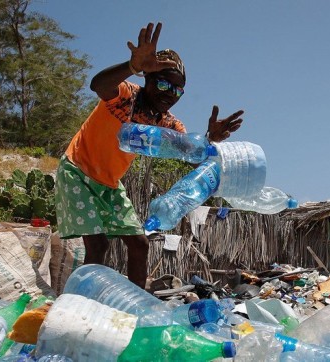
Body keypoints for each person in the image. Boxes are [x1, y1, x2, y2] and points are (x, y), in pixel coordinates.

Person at [56, 22, 244, 288]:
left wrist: (209, 138)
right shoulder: (125, 95)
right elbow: (98, 84)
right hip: (78, 172)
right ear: (147, 78)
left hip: (109, 184)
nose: (170, 94)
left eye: (178, 90)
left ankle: (137, 305)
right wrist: (131, 67)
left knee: (139, 243)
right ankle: (84, 305)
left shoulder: (167, 123)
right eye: (164, 84)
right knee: (97, 245)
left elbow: (191, 151)